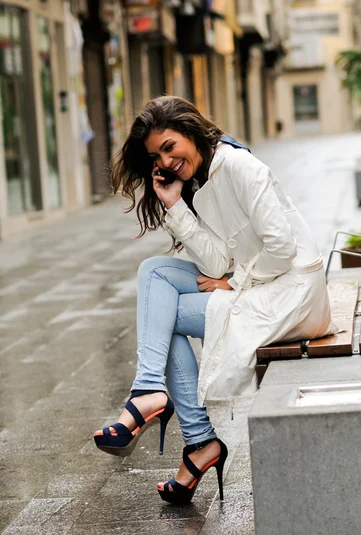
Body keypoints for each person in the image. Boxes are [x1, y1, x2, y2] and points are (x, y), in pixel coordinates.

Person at [93, 95, 336, 505]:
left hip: (290, 292)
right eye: (157, 156)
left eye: (170, 147)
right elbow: (216, 259)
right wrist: (174, 204)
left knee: (162, 316)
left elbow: (281, 247)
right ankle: (161, 400)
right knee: (154, 273)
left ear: (192, 132)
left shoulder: (237, 166)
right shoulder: (203, 179)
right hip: (263, 283)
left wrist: (234, 282)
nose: (166, 163)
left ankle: (186, 428)